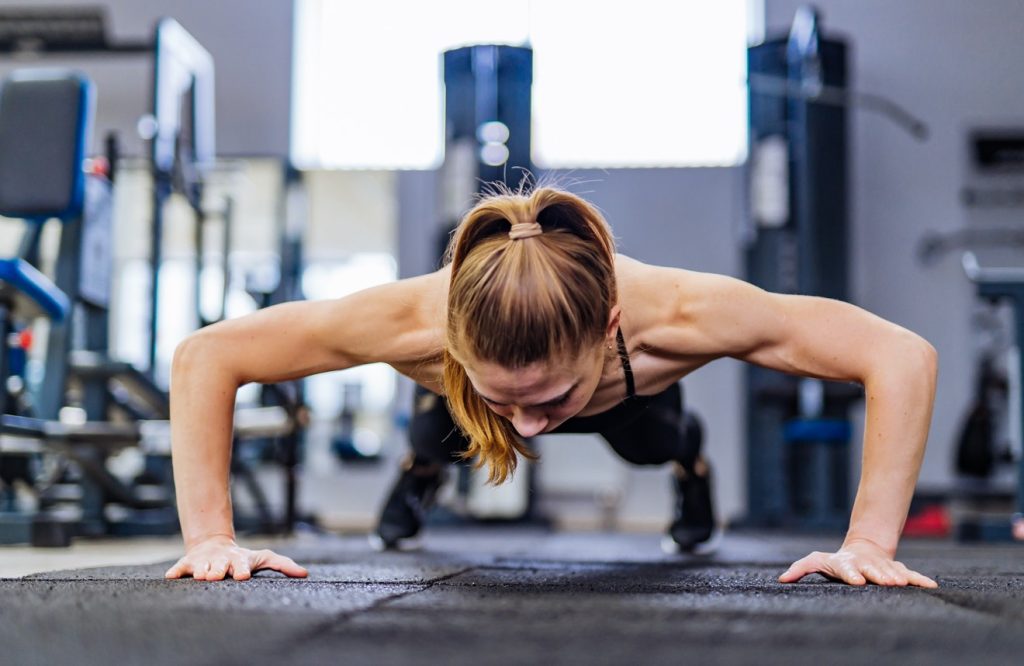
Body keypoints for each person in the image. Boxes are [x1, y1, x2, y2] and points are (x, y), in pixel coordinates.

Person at [164, 185, 939, 589]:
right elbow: (207, 358)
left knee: (655, 443)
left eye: (550, 401)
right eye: (510, 399)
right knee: (442, 432)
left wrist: (869, 542)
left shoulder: (678, 315)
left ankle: (689, 470)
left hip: (632, 397)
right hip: (457, 391)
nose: (531, 432)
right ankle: (431, 455)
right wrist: (210, 539)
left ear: (607, 326)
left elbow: (900, 356)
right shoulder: (403, 321)